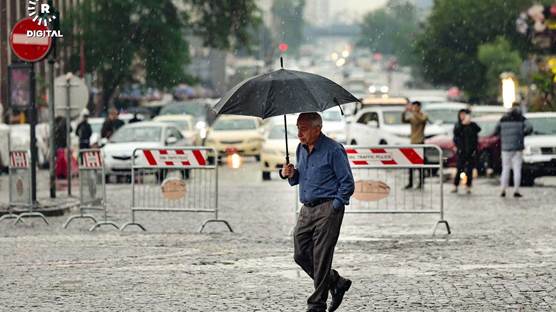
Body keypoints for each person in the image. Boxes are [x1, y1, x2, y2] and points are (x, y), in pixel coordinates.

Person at [281, 112, 354, 312]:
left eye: (303, 129)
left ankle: (317, 304)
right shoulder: (300, 149)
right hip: (306, 209)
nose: (299, 133)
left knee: (321, 256)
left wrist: (336, 206)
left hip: (328, 208)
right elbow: (298, 178)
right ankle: (336, 282)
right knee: (300, 253)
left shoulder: (333, 150)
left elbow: (347, 183)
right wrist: (289, 173)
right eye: (297, 128)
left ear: (317, 129)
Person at [494, 104, 533, 198]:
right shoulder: (521, 118)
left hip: (505, 147)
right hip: (518, 147)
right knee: (517, 169)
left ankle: (503, 189)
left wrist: (503, 136)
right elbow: (530, 128)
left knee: (505, 169)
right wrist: (522, 134)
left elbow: (496, 130)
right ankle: (516, 190)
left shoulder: (503, 119)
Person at [452, 109, 481, 194]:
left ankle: (468, 185)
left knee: (469, 170)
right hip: (462, 151)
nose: (463, 116)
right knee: (459, 168)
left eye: (464, 115)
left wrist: (470, 122)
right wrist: (463, 124)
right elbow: (456, 133)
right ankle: (455, 185)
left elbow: (478, 129)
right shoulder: (458, 125)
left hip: (471, 151)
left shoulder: (472, 125)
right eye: (461, 115)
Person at [402, 100, 428, 189]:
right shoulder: (412, 116)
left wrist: (413, 112)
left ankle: (421, 182)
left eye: (416, 106)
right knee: (411, 164)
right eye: (413, 106)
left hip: (420, 141)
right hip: (413, 142)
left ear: (419, 107)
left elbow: (422, 120)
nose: (414, 108)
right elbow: (404, 120)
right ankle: (410, 182)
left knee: (421, 163)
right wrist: (404, 111)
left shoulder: (423, 115)